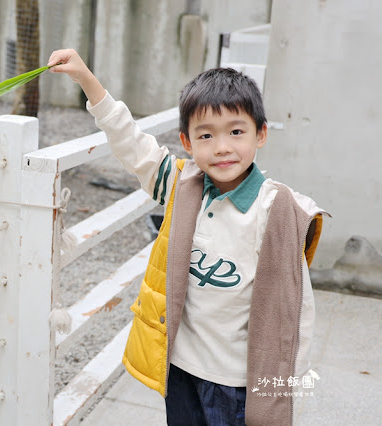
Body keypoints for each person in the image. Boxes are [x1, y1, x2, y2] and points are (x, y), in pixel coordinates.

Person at [47, 49, 328, 426]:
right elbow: (131, 143)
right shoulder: (183, 187)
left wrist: (280, 392)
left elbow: (295, 314)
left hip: (236, 384)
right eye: (206, 135)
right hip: (179, 368)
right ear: (187, 141)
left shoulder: (274, 210)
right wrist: (87, 80)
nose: (222, 146)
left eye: (236, 131)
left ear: (260, 134)